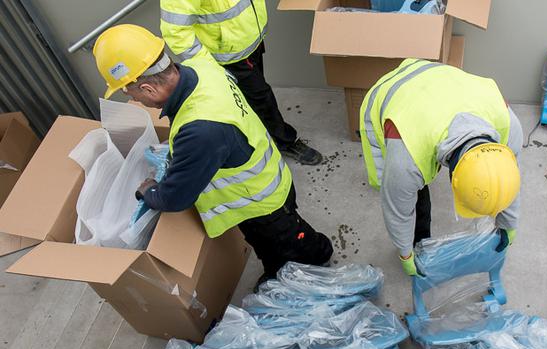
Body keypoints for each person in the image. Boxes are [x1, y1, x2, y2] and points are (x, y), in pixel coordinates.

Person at [93, 24, 333, 288]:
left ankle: (315, 259)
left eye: (133, 93)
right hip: (266, 179)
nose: (137, 101)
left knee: (288, 245)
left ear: (149, 88)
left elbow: (174, 197)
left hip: (260, 203)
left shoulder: (200, 130)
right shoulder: (202, 67)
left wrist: (149, 191)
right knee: (277, 239)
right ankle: (288, 260)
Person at [359, 58, 523, 277]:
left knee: (408, 182)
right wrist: (405, 254)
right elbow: (397, 211)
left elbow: (507, 181)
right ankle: (419, 242)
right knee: (400, 188)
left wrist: (508, 224)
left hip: (442, 82)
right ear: (453, 180)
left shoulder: (509, 127)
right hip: (390, 94)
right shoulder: (407, 156)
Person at [159, 0, 323, 165]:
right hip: (229, 57)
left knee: (252, 99)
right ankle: (285, 141)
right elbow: (175, 31)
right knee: (262, 99)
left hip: (250, 42)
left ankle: (262, 136)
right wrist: (208, 66)